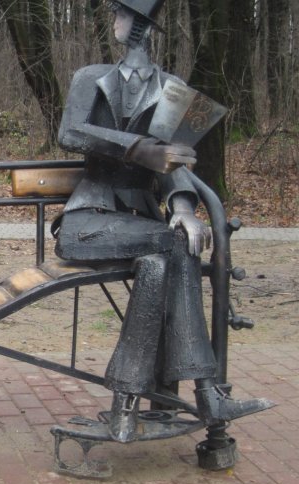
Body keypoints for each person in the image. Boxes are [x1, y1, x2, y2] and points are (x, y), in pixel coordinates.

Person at [55, 0, 268, 442]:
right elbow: (71, 132)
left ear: (139, 26)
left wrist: (185, 209)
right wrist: (137, 148)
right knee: (172, 246)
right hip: (87, 221)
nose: (114, 21)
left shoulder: (173, 88)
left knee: (163, 257)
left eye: (120, 14)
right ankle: (207, 394)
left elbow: (178, 162)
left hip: (144, 228)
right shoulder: (89, 78)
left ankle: (125, 407)